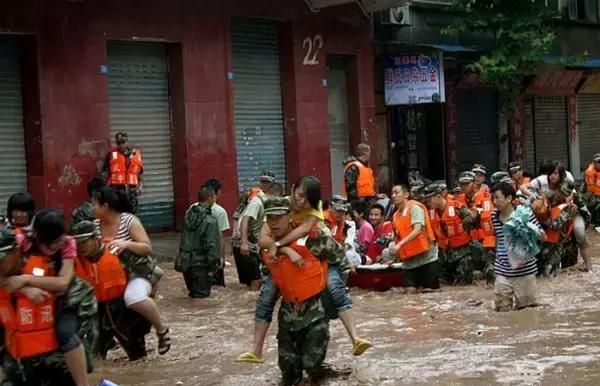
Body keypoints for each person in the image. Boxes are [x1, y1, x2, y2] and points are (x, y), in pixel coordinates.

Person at [236, 177, 370, 364]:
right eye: (299, 195)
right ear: (292, 189)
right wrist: (284, 249)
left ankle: (355, 338)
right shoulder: (280, 207)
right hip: (288, 271)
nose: (301, 202)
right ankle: (257, 350)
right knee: (266, 298)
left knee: (335, 288)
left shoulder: (314, 217)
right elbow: (262, 238)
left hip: (317, 260)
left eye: (306, 199)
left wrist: (278, 244)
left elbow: (305, 231)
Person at [3, 210, 96, 386]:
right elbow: (6, 279)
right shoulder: (21, 243)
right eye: (49, 245)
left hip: (69, 297)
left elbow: (63, 283)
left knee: (65, 333)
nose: (55, 248)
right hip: (34, 298)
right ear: (36, 235)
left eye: (58, 243)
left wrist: (26, 280)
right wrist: (27, 290)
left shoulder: (68, 243)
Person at [261, 197, 332, 386]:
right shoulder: (269, 246)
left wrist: (330, 291)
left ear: (290, 216)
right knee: (288, 373)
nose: (274, 222)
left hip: (315, 312)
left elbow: (339, 259)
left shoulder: (312, 238)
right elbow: (271, 279)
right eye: (270, 218)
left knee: (312, 366)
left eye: (279, 217)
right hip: (288, 315)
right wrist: (285, 250)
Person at [92, 186, 170, 355]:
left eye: (94, 204)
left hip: (137, 273)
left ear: (105, 206)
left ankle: (161, 330)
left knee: (133, 298)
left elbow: (147, 248)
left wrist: (126, 244)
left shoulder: (129, 221)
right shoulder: (94, 226)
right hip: (108, 280)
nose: (92, 208)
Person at [71, 221, 151, 362]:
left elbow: (149, 271)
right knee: (94, 355)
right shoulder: (73, 261)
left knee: (138, 356)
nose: (80, 247)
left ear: (95, 237)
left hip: (121, 309)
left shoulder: (116, 250)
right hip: (95, 311)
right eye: (76, 243)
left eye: (83, 242)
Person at [491, 182, 545, 312]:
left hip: (525, 272)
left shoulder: (525, 215)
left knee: (527, 312)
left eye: (498, 198)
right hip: (502, 271)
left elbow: (543, 237)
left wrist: (529, 229)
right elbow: (498, 239)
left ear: (509, 198)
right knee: (502, 311)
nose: (495, 201)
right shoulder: (494, 217)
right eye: (493, 198)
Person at [423, 183, 479, 285]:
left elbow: (472, 219)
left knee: (464, 285)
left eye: (429, 199)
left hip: (462, 253)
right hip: (443, 255)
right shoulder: (430, 213)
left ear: (438, 197)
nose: (427, 203)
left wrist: (472, 218)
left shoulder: (457, 207)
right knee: (442, 285)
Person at [388, 184, 439, 293]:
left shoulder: (415, 208)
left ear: (406, 194)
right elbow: (398, 237)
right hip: (409, 262)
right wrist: (394, 259)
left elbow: (417, 230)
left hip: (426, 258)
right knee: (409, 294)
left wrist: (399, 245)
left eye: (396, 192)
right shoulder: (395, 216)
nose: (393, 196)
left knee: (430, 294)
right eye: (392, 193)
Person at [175, 186, 220, 298]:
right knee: (202, 301)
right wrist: (213, 267)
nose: (215, 199)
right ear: (210, 198)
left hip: (186, 263)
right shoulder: (210, 220)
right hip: (201, 265)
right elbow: (211, 245)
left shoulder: (188, 215)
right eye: (214, 197)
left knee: (192, 296)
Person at [537, 181, 577, 277]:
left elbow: (556, 225)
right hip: (540, 243)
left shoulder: (570, 208)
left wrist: (541, 218)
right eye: (560, 191)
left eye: (564, 194)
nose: (560, 195)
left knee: (549, 274)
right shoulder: (546, 199)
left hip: (554, 247)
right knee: (537, 274)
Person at [102, 132, 143, 214]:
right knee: (118, 214)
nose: (121, 145)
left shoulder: (135, 154)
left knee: (132, 214)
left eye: (123, 142)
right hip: (117, 190)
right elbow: (105, 172)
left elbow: (139, 172)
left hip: (132, 190)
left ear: (127, 141)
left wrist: (141, 186)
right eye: (118, 143)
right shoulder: (111, 154)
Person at [202, 178, 231, 286]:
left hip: (196, 256)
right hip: (212, 254)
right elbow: (220, 237)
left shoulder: (193, 208)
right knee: (217, 288)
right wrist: (222, 257)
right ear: (217, 193)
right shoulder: (220, 211)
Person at [581, 153, 600, 226]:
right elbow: (583, 186)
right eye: (598, 162)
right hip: (590, 197)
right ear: (594, 162)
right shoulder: (588, 172)